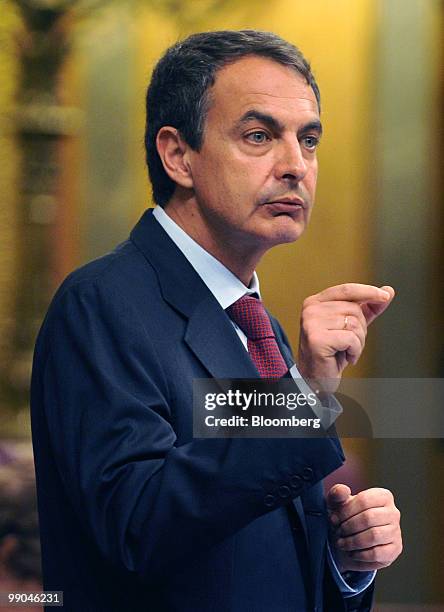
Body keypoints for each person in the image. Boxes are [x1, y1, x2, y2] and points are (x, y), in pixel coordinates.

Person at [30, 30, 402, 611]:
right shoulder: (101, 303)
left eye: (309, 141)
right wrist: (301, 393)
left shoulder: (260, 327)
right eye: (259, 136)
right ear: (178, 155)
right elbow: (136, 529)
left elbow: (250, 550)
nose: (296, 167)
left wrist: (344, 560)